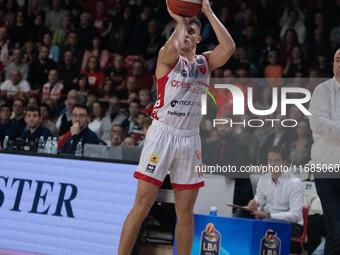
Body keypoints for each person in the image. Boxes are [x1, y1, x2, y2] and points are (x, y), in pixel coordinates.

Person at [118, 0, 235, 254]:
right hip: (162, 134)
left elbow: (229, 47)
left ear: (198, 40)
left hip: (190, 139)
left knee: (185, 213)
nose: (185, 35)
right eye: (181, 31)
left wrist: (208, 12)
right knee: (142, 206)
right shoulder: (166, 58)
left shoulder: (205, 63)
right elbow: (173, 45)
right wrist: (181, 22)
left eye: (191, 32)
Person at [308, 48, 340, 255]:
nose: (339, 65)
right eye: (337, 60)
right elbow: (318, 123)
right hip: (327, 171)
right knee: (337, 229)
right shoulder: (324, 89)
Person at [246, 146, 304, 237]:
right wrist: (253, 206)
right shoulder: (263, 179)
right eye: (270, 161)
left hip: (292, 225)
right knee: (238, 216)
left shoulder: (295, 183)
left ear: (284, 164)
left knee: (264, 224)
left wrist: (268, 215)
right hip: (268, 219)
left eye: (276, 161)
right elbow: (259, 207)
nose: (272, 164)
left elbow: (295, 216)